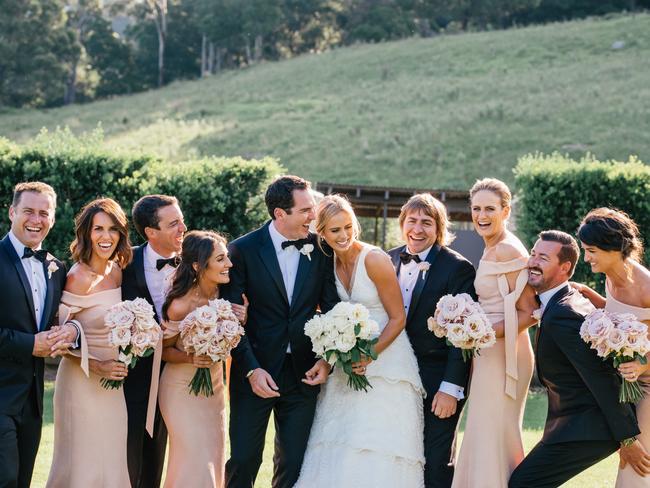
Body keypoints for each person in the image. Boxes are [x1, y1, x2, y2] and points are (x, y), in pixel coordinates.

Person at [295, 195, 426, 487]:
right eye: (334, 230)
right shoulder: (326, 264)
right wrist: (331, 360)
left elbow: (397, 318)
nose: (343, 236)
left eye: (347, 227)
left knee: (375, 442)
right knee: (340, 440)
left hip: (386, 360)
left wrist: (369, 355)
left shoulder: (375, 259)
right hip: (346, 363)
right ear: (322, 233)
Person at [222, 175, 339, 488]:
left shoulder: (321, 249)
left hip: (304, 373)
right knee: (244, 459)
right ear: (279, 214)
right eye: (305, 211)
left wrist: (327, 359)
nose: (313, 216)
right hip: (255, 370)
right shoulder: (242, 250)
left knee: (294, 463)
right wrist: (250, 370)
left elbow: (330, 309)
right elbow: (231, 320)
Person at [509, 230, 646, 487]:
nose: (533, 262)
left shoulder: (563, 313)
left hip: (588, 428)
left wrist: (627, 438)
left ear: (565, 268)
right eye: (533, 254)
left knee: (523, 483)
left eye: (543, 258)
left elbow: (601, 377)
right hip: (573, 425)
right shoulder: (568, 299)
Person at [452, 178, 538, 488]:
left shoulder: (506, 249)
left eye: (490, 208)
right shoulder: (491, 247)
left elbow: (530, 311)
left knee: (494, 428)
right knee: (483, 427)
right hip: (489, 349)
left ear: (505, 210)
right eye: (476, 209)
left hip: (506, 352)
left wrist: (481, 333)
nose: (482, 215)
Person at [387, 193, 476, 488]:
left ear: (439, 229)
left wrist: (451, 388)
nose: (418, 229)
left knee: (435, 459)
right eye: (411, 221)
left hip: (437, 380)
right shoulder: (387, 259)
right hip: (393, 377)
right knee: (396, 454)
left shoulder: (458, 268)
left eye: (427, 223)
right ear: (402, 224)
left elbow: (463, 336)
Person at [46, 198, 133, 487]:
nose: (106, 237)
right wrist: (97, 365)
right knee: (83, 464)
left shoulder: (118, 271)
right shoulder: (76, 277)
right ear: (86, 233)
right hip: (80, 381)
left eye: (113, 229)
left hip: (113, 386)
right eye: (98, 229)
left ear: (121, 233)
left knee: (112, 459)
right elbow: (59, 339)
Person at [0, 182, 75, 488]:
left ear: (53, 219)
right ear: (12, 212)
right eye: (28, 211)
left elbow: (59, 320)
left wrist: (65, 334)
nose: (36, 219)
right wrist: (31, 344)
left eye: (44, 213)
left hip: (33, 401)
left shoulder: (56, 268)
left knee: (21, 481)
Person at [159, 230, 247, 488]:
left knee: (212, 457)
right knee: (193, 458)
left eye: (227, 257)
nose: (228, 264)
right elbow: (162, 351)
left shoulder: (227, 296)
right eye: (221, 259)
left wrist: (241, 320)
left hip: (214, 388)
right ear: (198, 265)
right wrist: (190, 356)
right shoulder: (180, 304)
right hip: (180, 390)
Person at [574, 208, 650, 486]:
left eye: (591, 250)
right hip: (625, 384)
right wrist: (589, 295)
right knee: (627, 455)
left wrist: (644, 364)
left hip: (649, 384)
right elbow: (625, 316)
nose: (586, 258)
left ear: (614, 248)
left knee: (637, 462)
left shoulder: (646, 286)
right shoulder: (610, 278)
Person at [122, 194, 187, 488]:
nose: (182, 228)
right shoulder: (123, 263)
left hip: (179, 373)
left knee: (167, 455)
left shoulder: (194, 263)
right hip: (133, 377)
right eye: (173, 223)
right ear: (150, 232)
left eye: (181, 220)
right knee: (129, 454)